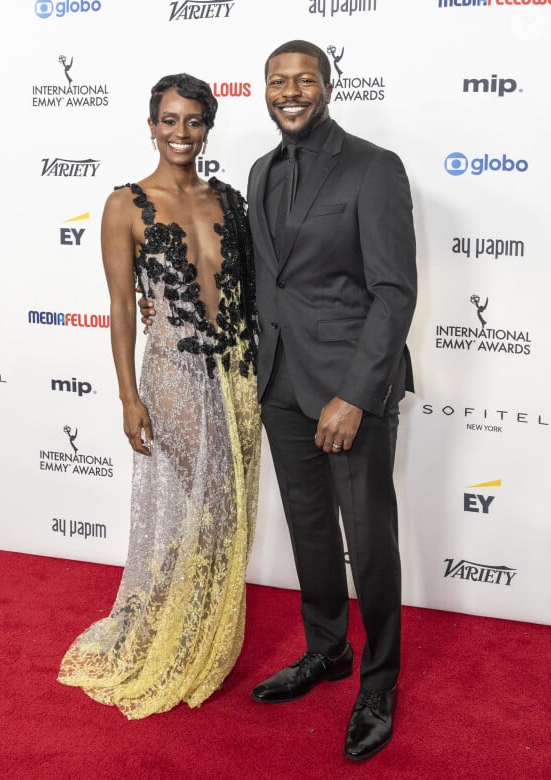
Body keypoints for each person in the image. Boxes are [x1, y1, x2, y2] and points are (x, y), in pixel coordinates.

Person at [141, 40, 416, 760]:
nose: (290, 91)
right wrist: (168, 309)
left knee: (369, 535)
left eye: (304, 80)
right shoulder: (259, 173)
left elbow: (393, 292)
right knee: (310, 530)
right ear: (264, 90)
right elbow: (254, 282)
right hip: (280, 384)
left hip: (350, 390)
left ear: (326, 86)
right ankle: (327, 649)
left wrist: (356, 394)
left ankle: (380, 680)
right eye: (277, 81)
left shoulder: (373, 167)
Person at [58, 73, 261, 719]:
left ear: (208, 127)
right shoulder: (126, 203)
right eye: (169, 120)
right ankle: (167, 637)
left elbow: (251, 292)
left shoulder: (230, 199)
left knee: (229, 514)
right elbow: (120, 306)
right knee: (207, 504)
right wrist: (127, 395)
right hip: (172, 369)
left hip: (240, 373)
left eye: (194, 121)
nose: (181, 132)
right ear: (152, 125)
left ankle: (202, 635)